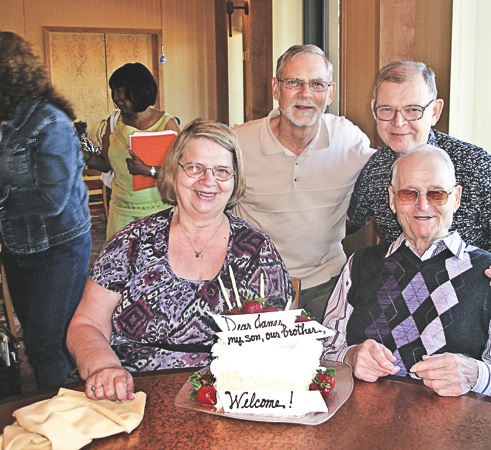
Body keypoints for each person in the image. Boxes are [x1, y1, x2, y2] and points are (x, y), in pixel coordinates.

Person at [67, 119, 294, 401]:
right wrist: (104, 366)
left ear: (235, 180)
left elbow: (278, 342)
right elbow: (86, 323)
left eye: (222, 171)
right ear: (173, 172)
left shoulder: (257, 252)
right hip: (132, 396)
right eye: (195, 167)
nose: (208, 181)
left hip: (228, 400)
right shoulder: (132, 243)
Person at [323, 144, 491, 406]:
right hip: (363, 427)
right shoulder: (360, 265)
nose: (422, 205)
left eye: (436, 194)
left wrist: (476, 375)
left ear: (456, 197)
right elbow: (320, 354)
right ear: (392, 199)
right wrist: (350, 356)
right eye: (408, 194)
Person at [347, 60, 491, 305]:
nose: (398, 122)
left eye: (413, 110)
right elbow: (349, 221)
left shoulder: (477, 166)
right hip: (402, 301)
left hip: (469, 304)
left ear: (435, 111)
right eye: (387, 110)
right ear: (374, 110)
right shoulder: (376, 169)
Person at [233, 45, 375, 322]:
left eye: (317, 84)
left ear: (330, 92)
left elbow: (392, 175)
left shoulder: (348, 141)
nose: (305, 94)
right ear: (276, 88)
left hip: (328, 286)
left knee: (328, 364)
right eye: (294, 82)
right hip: (255, 287)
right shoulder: (237, 144)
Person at [0, 32, 92, 388]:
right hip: (18, 244)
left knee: (48, 343)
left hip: (60, 246)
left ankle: (65, 423)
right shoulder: (6, 120)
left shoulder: (50, 122)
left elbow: (52, 200)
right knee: (36, 342)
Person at [82, 62, 180, 242]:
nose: (116, 97)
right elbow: (105, 164)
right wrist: (82, 155)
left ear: (140, 90)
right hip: (121, 210)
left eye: (121, 91)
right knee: (118, 265)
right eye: (114, 91)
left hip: (157, 210)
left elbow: (181, 172)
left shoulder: (167, 124)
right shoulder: (114, 121)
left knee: (153, 265)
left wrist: (147, 170)